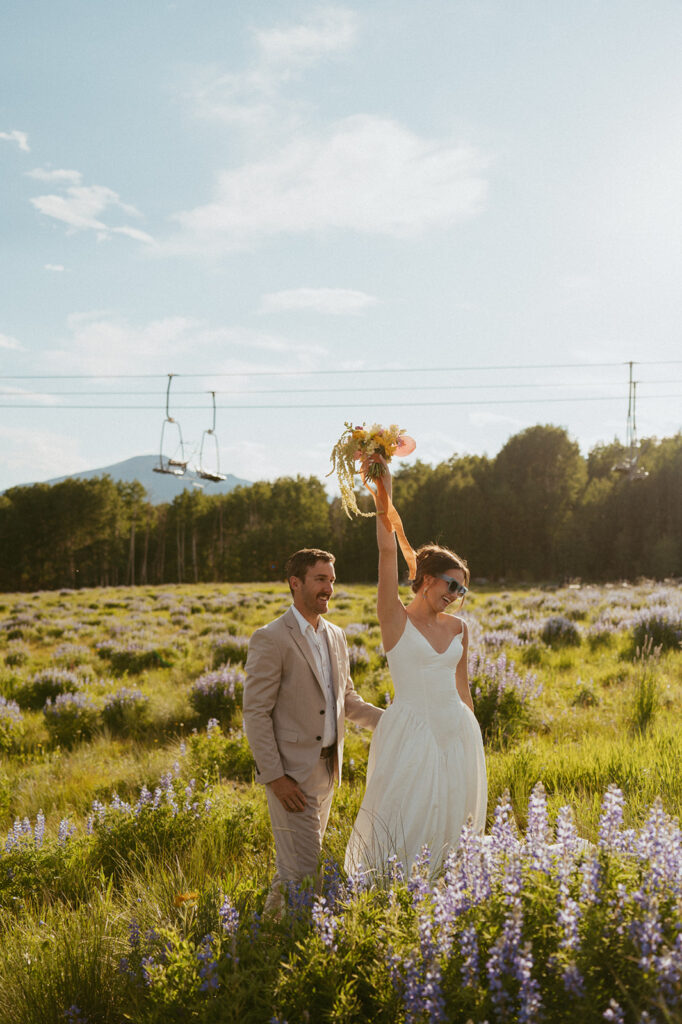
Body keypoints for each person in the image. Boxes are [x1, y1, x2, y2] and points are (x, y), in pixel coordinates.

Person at [345, 461, 487, 878]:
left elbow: (464, 690)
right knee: (405, 811)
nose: (456, 595)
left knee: (452, 812)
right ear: (425, 578)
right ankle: (395, 887)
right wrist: (383, 494)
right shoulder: (395, 620)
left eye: (462, 589)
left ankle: (446, 883)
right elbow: (388, 551)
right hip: (411, 730)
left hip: (457, 731)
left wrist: (472, 738)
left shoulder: (459, 628)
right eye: (450, 584)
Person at [243, 548, 383, 914]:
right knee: (306, 874)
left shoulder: (335, 635)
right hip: (291, 777)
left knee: (294, 871)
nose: (329, 589)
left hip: (327, 772)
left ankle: (261, 937)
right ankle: (292, 952)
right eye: (321, 579)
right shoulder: (271, 638)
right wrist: (276, 778)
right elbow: (255, 713)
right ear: (296, 582)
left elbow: (346, 700)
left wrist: (394, 722)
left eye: (332, 581)